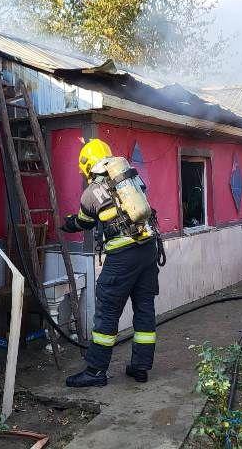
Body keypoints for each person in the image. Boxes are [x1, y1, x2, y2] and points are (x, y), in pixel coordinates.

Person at [61, 139, 160, 388]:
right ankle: (140, 368)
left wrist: (68, 223)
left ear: (88, 166)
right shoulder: (131, 178)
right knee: (144, 309)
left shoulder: (91, 193)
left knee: (107, 312)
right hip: (148, 249)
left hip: (122, 257)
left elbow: (84, 222)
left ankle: (95, 371)